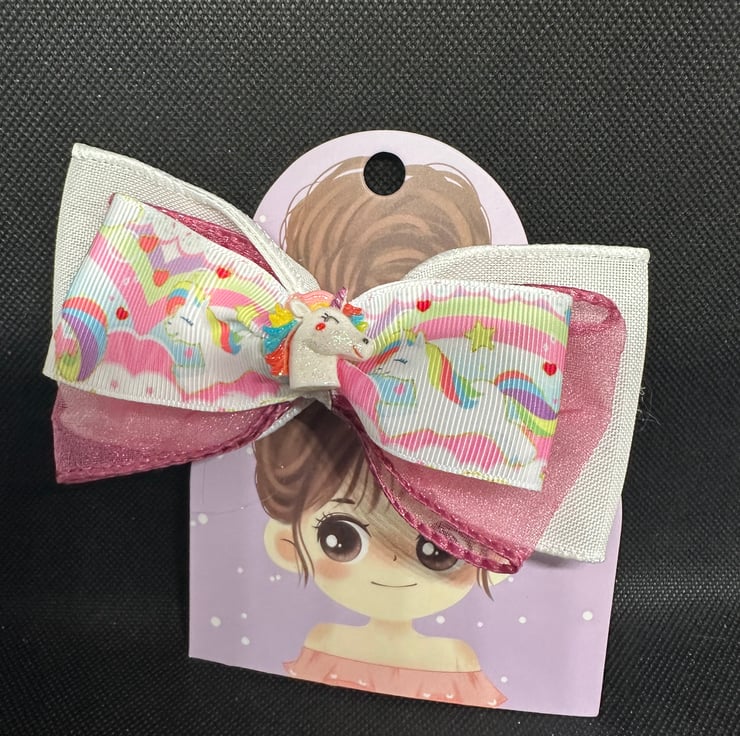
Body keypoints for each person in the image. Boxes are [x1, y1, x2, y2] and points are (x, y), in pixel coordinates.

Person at [254, 156, 507, 707]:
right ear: (285, 544)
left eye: (436, 548)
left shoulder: (459, 662)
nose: (392, 567)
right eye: (340, 539)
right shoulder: (323, 643)